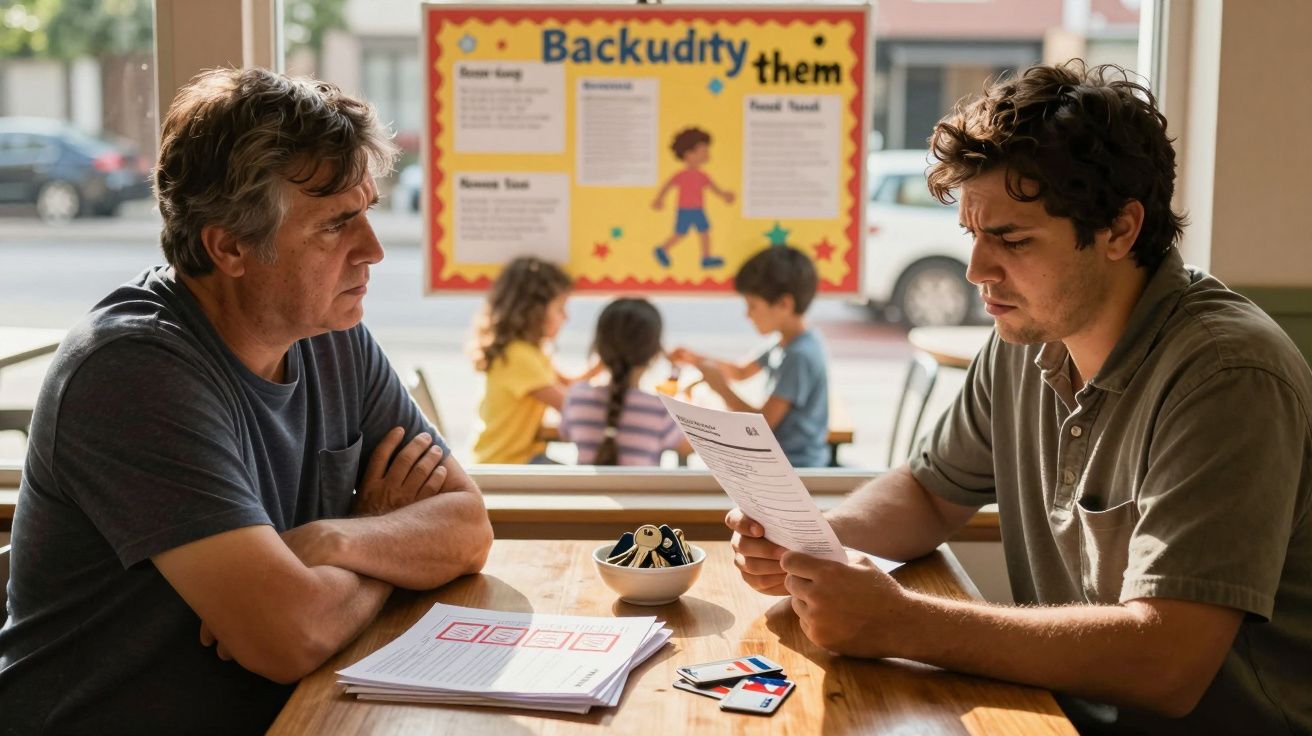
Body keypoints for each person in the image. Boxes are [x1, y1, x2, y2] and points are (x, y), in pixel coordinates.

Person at [725, 62, 1312, 734]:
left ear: (1120, 231)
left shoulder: (1227, 375)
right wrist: (814, 547)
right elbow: (927, 491)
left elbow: (1169, 663)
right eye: (973, 235)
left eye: (1011, 239)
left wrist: (902, 622)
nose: (977, 270)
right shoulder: (1026, 337)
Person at [0, 68, 494, 735]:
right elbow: (288, 638)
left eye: (367, 212)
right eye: (335, 226)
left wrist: (330, 540)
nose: (373, 251)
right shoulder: (131, 373)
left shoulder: (330, 334)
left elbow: (466, 526)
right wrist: (383, 538)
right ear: (229, 246)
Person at [672, 245, 831, 467]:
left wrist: (721, 389)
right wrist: (696, 359)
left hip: (795, 468)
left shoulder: (799, 356)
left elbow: (761, 427)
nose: (747, 315)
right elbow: (741, 372)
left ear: (784, 304)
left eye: (752, 306)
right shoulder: (784, 341)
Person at [470, 256, 597, 464]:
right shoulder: (518, 356)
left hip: (519, 457)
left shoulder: (529, 352)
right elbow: (570, 406)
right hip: (507, 463)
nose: (566, 317)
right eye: (560, 309)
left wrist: (600, 366)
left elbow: (569, 384)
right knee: (587, 487)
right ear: (534, 311)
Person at [559, 298, 690, 465]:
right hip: (642, 492)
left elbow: (565, 433)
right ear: (655, 352)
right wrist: (675, 375)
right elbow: (687, 447)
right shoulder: (659, 409)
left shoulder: (576, 398)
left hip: (588, 492)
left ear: (599, 347)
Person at [652, 126, 736, 270]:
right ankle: (662, 249)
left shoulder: (703, 176)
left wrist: (724, 196)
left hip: (698, 209)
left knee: (704, 231)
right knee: (680, 233)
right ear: (688, 154)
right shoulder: (681, 175)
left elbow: (714, 188)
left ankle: (706, 258)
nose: (706, 154)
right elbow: (667, 186)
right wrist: (659, 199)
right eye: (703, 151)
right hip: (685, 210)